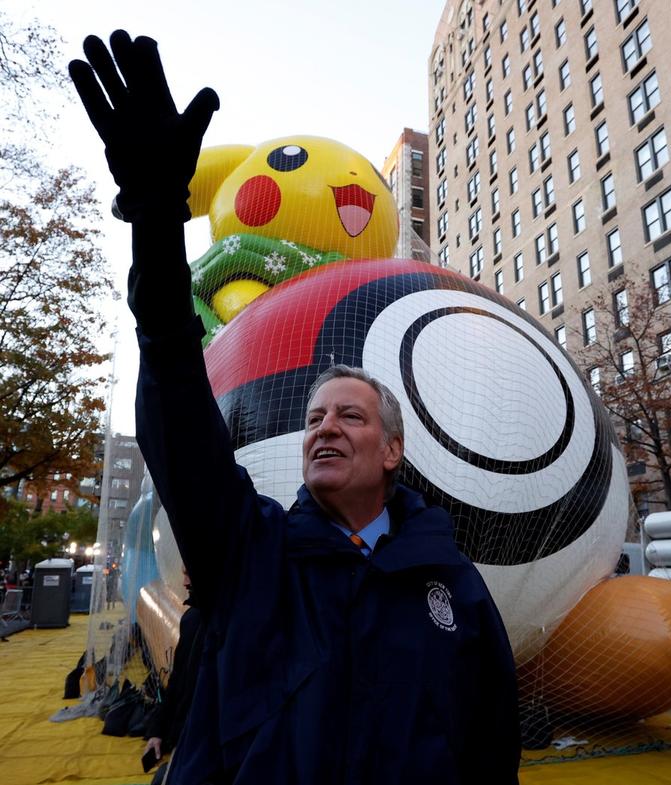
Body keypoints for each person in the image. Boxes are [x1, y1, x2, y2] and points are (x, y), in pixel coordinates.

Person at [70, 31, 520, 785]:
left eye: (349, 415)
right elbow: (181, 410)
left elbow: (491, 745)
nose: (323, 427)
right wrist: (156, 217)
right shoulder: (251, 552)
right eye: (314, 418)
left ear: (391, 451)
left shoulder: (454, 585)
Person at [144, 567, 205, 785]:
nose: (184, 582)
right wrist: (158, 731)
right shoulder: (191, 620)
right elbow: (178, 681)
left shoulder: (225, 626)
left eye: (189, 573)